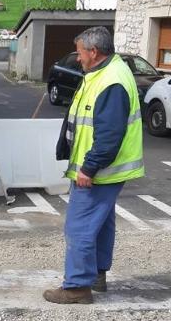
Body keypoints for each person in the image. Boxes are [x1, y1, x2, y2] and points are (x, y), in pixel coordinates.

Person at [44, 26, 144, 304]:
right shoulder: (105, 73)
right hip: (106, 171)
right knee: (100, 224)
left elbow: (109, 134)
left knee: (79, 227)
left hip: (99, 171)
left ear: (94, 52)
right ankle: (96, 275)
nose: (77, 59)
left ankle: (77, 286)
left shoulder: (111, 82)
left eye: (79, 53)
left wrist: (89, 168)